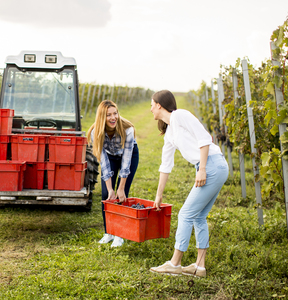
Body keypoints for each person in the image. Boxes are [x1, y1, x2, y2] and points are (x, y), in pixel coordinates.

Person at [149, 90, 228, 277]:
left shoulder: (180, 115)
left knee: (185, 214)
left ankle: (175, 264)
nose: (150, 108)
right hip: (212, 166)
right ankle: (199, 267)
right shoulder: (169, 133)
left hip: (211, 165)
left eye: (152, 104)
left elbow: (204, 138)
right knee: (198, 217)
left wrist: (202, 169)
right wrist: (158, 195)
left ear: (159, 105)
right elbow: (165, 165)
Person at [87, 100, 139, 247]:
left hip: (128, 155)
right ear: (102, 116)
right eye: (108, 115)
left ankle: (120, 235)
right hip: (110, 156)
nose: (113, 117)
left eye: (115, 113)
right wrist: (110, 189)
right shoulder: (95, 132)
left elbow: (126, 161)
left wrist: (120, 188)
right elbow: (104, 162)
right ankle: (109, 232)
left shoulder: (128, 129)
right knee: (106, 196)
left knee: (122, 195)